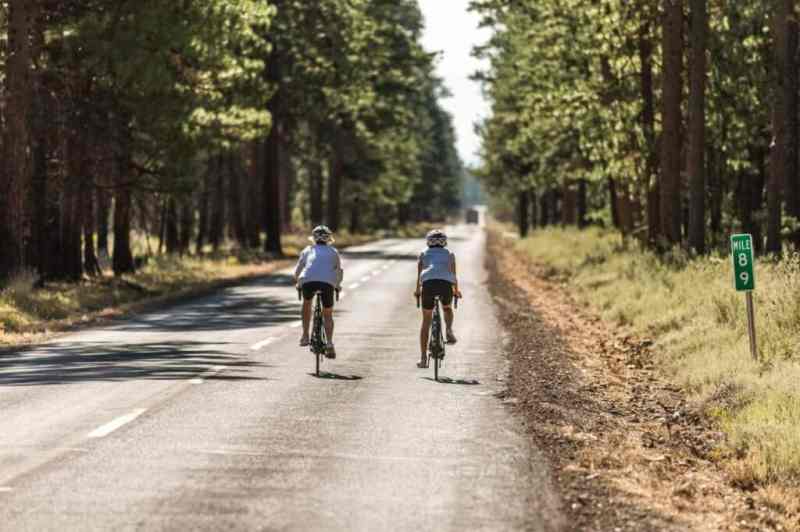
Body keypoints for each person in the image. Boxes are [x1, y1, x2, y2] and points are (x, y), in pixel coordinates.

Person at [414, 229, 462, 368]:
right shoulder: (450, 254)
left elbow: (419, 276)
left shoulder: (423, 254)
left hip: (428, 284)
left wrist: (418, 291)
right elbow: (453, 274)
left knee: (426, 320)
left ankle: (423, 359)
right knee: (447, 308)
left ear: (428, 241)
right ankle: (448, 330)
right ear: (444, 242)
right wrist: (456, 291)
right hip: (445, 284)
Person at [294, 225, 343, 358]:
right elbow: (338, 271)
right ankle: (329, 344)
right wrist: (337, 285)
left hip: (308, 281)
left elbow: (297, 270)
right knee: (327, 313)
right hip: (327, 283)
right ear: (329, 239)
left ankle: (305, 336)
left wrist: (298, 283)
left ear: (313, 238)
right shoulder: (333, 251)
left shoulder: (307, 250)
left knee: (307, 303)